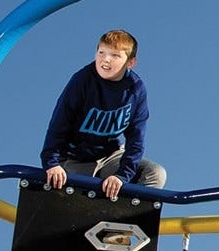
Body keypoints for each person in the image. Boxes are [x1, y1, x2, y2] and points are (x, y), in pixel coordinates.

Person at [40, 29, 167, 199]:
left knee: (155, 173)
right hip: (76, 158)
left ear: (130, 63)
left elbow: (136, 138)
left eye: (115, 55)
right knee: (76, 192)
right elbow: (59, 123)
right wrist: (51, 163)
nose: (105, 59)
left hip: (110, 155)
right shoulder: (82, 80)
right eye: (101, 52)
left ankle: (128, 220)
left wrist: (122, 175)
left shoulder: (135, 89)